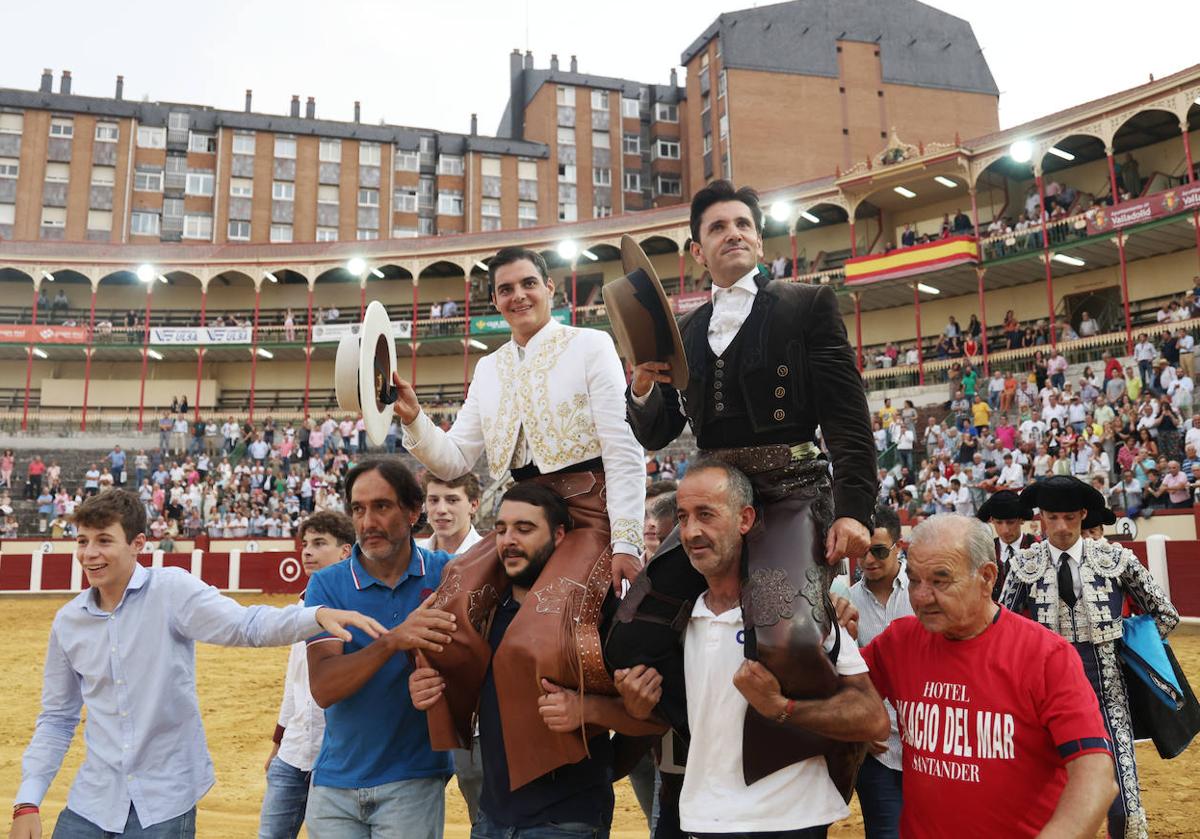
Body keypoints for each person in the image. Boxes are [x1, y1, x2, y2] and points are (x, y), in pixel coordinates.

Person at [619, 182, 876, 780]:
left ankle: (811, 756)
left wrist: (855, 509)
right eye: (717, 227)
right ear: (696, 251)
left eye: (742, 223)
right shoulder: (683, 330)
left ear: (758, 238)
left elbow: (845, 415)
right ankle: (694, 746)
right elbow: (657, 433)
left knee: (786, 634)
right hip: (714, 500)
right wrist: (641, 387)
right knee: (636, 623)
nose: (733, 232)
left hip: (790, 494)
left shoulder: (807, 304)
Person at [393, 246, 645, 787]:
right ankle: (474, 753)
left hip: (587, 512)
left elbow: (623, 449)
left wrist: (626, 542)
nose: (518, 296)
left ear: (551, 289)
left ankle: (563, 760)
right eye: (505, 289)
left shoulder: (589, 344)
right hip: (521, 513)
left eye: (528, 283)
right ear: (495, 302)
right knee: (447, 609)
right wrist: (415, 421)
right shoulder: (490, 367)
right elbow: (458, 458)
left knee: (539, 629)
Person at [9, 490, 379, 839]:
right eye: (82, 541)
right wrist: (28, 799)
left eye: (104, 540)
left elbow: (245, 625)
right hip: (92, 801)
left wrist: (315, 616)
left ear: (138, 544)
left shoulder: (171, 591)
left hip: (165, 801)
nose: (90, 553)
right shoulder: (68, 622)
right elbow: (57, 719)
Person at [615, 461, 889, 837]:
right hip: (700, 816)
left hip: (790, 819)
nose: (691, 531)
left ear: (745, 519)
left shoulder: (802, 613)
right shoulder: (671, 626)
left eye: (706, 515)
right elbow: (669, 720)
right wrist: (638, 708)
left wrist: (782, 709)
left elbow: (872, 718)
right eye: (683, 517)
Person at [410, 484, 659, 839]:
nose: (509, 540)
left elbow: (654, 719)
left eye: (524, 529)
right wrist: (425, 689)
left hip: (566, 822)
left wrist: (588, 710)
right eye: (501, 529)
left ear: (560, 535)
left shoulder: (598, 616)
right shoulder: (485, 613)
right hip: (491, 817)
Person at [861, 514, 1117, 838]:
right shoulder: (898, 642)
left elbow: (1094, 772)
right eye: (914, 580)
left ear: (986, 577)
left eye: (940, 581)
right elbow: (842, 690)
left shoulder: (1045, 656)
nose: (921, 597)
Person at [1002, 476, 1180, 839]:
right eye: (1053, 517)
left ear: (1083, 515)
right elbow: (1001, 627)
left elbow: (1164, 614)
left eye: (1070, 517)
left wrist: (1131, 653)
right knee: (1047, 798)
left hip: (1108, 694)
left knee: (1124, 806)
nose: (1062, 527)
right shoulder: (1025, 565)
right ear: (1040, 517)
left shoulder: (1114, 559)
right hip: (1044, 699)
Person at [302, 459, 460, 839]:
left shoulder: (450, 574)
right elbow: (324, 688)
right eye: (358, 509)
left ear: (412, 511)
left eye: (382, 506)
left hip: (413, 781)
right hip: (333, 786)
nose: (368, 522)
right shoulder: (326, 585)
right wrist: (393, 640)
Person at [258, 512, 356, 839]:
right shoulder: (301, 605)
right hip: (293, 750)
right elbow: (294, 684)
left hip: (338, 755)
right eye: (305, 544)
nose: (307, 552)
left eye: (319, 543)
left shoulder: (359, 608)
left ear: (345, 551)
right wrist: (276, 743)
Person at [415, 471, 484, 821]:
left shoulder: (493, 557)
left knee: (482, 807)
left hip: (475, 710)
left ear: (474, 504)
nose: (441, 509)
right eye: (433, 500)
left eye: (452, 500)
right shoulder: (411, 558)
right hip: (415, 707)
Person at [848, 506, 914, 839]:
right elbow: (843, 677)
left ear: (898, 548)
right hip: (876, 748)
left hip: (926, 747)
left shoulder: (922, 593)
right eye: (862, 552)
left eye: (878, 551)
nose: (869, 559)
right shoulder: (846, 601)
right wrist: (860, 728)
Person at [976, 490, 1037, 600]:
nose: (1005, 530)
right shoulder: (986, 550)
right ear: (992, 520)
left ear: (1021, 520)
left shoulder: (1035, 546)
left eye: (1010, 522)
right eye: (999, 522)